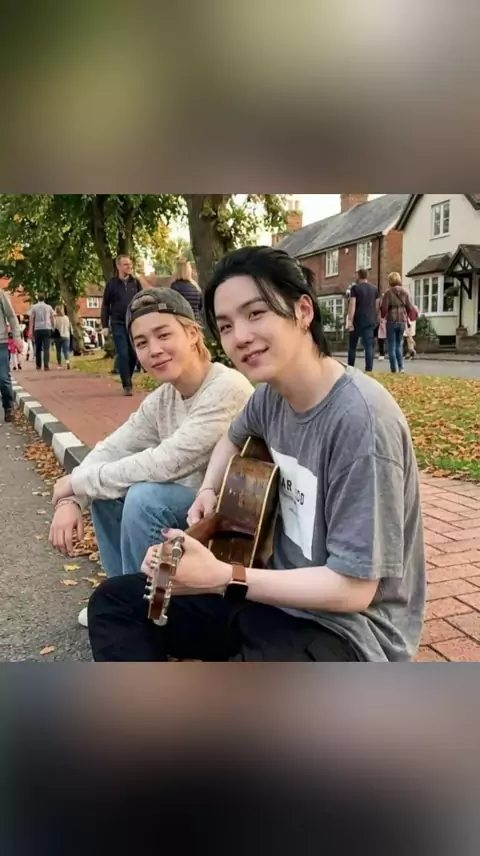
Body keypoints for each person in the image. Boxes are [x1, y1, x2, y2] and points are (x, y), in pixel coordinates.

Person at [87, 246, 426, 663]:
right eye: (226, 326)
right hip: (267, 598)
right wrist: (208, 490)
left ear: (303, 311)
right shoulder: (270, 396)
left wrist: (223, 577)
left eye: (255, 313)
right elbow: (232, 438)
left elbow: (354, 590)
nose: (240, 337)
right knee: (113, 604)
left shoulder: (362, 421)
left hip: (346, 632)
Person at [49, 287, 253, 628]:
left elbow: (167, 461)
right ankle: (125, 596)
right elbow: (113, 448)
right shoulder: (163, 399)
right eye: (142, 342)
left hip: (229, 520)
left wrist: (76, 481)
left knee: (144, 497)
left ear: (192, 333)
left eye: (163, 335)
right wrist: (73, 497)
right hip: (188, 511)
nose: (154, 350)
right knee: (107, 494)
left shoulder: (226, 388)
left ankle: (148, 615)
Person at [101, 255, 143, 396]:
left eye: (130, 264)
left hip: (133, 322)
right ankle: (127, 385)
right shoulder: (112, 284)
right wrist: (105, 325)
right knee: (123, 354)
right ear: (118, 266)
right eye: (126, 264)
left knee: (133, 354)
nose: (129, 267)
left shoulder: (136, 283)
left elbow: (142, 300)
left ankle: (127, 377)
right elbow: (105, 305)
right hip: (118, 323)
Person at [346, 269, 380, 372]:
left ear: (358, 276)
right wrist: (375, 317)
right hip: (369, 320)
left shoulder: (355, 288)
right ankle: (369, 369)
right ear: (367, 276)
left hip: (357, 320)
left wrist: (350, 320)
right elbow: (377, 305)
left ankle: (350, 367)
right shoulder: (374, 289)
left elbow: (352, 304)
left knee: (352, 346)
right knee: (369, 346)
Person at [381, 272, 415, 374]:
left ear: (390, 281)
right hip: (402, 321)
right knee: (399, 344)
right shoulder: (405, 292)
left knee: (391, 345)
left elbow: (384, 309)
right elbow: (410, 307)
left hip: (391, 320)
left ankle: (393, 369)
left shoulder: (388, 293)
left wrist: (383, 315)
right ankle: (401, 368)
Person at [0, 291, 23, 422]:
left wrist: (17, 337)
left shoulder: (1, 294)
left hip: (1, 342)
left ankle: (8, 407)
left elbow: (11, 316)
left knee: (3, 378)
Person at [28, 294, 55, 371]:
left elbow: (31, 319)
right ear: (44, 298)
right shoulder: (49, 307)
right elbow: (52, 318)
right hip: (47, 328)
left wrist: (30, 330)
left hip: (38, 329)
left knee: (38, 348)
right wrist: (53, 327)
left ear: (37, 298)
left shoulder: (34, 307)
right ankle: (46, 365)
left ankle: (38, 365)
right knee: (46, 348)